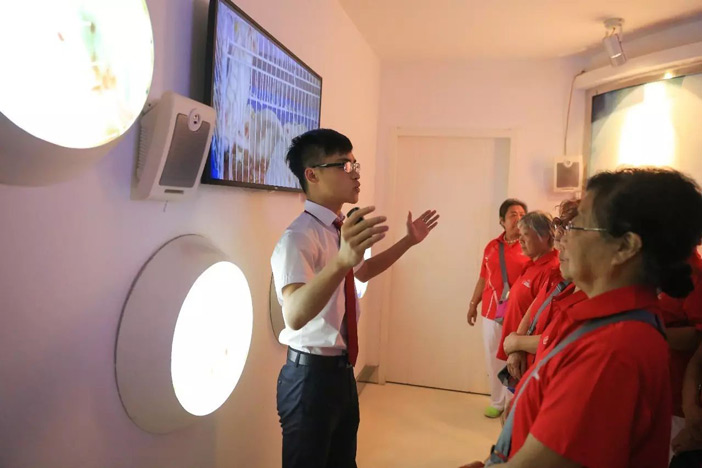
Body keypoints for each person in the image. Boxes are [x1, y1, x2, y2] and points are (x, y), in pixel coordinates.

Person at [461, 167, 702, 468]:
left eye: (579, 225)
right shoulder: (600, 320)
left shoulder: (612, 350)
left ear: (625, 246)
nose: (563, 239)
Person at [271, 128, 439, 468]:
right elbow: (294, 314)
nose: (356, 173)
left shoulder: (338, 229)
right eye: (344, 166)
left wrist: (408, 241)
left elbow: (361, 272)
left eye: (355, 164)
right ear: (312, 175)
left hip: (341, 373)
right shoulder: (298, 237)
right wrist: (342, 260)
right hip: (308, 379)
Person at [501, 200, 586, 379]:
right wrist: (516, 343)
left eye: (569, 235)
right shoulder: (554, 276)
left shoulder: (554, 271)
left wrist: (518, 342)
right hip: (529, 364)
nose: (560, 244)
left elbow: (565, 342)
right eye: (560, 235)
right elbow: (535, 310)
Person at [467, 199, 530, 418]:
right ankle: (497, 401)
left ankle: (513, 403)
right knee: (494, 357)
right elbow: (482, 278)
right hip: (492, 312)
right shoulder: (492, 247)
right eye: (513, 214)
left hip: (521, 314)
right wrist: (473, 304)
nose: (518, 218)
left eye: (522, 215)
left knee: (516, 358)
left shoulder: (529, 246)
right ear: (502, 221)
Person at [496, 211, 559, 363]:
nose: (520, 240)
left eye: (525, 234)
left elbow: (542, 318)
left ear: (545, 236)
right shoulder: (531, 264)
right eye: (520, 235)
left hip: (526, 356)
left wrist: (519, 346)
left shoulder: (552, 271)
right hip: (514, 348)